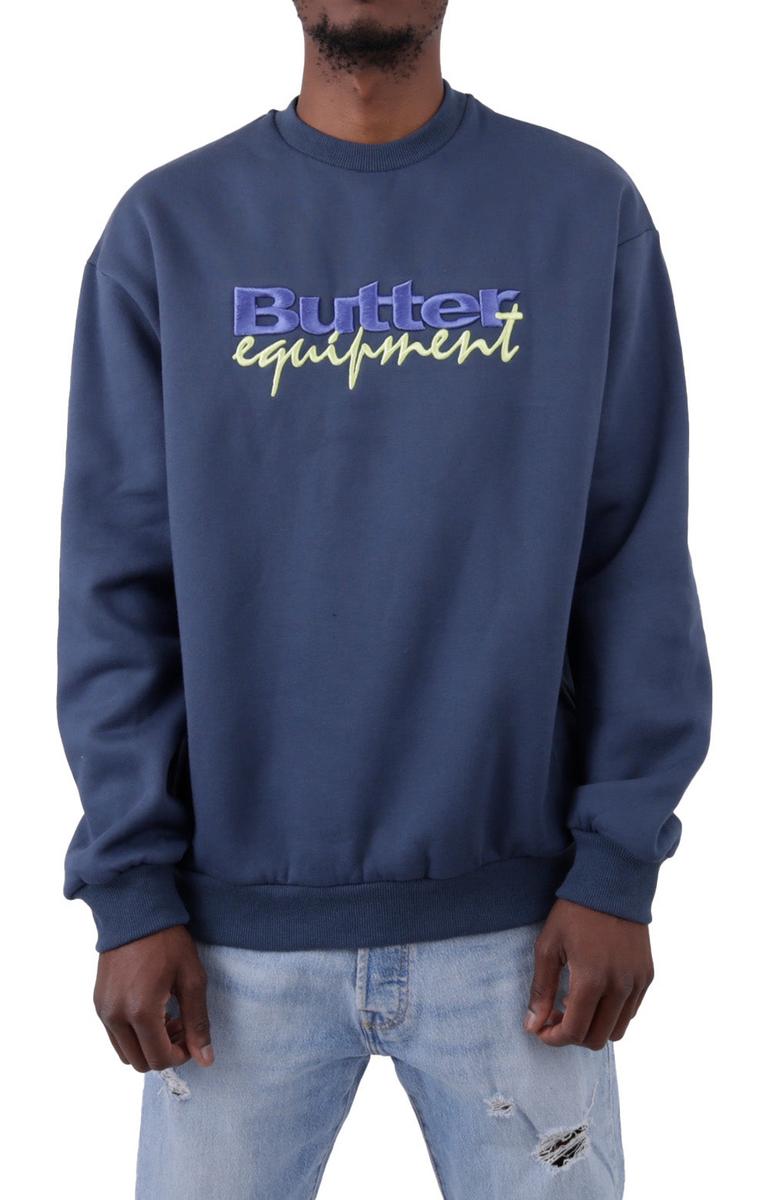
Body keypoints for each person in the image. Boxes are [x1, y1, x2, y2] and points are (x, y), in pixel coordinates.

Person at [56, 2, 711, 1196]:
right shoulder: (169, 229)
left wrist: (616, 866)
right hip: (227, 945)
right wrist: (130, 889)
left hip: (524, 935)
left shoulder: (580, 212)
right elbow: (115, 587)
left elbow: (632, 556)